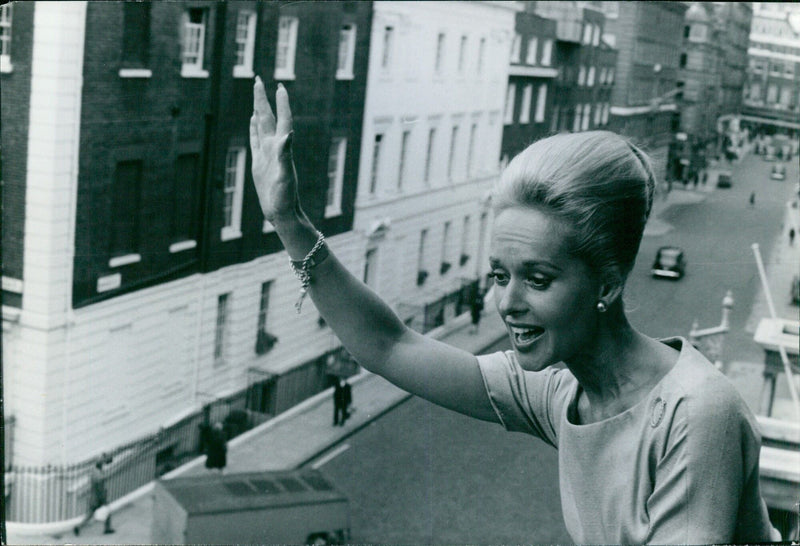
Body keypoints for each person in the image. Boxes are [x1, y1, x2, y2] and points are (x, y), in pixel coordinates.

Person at [249, 78, 779, 544]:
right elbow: (390, 345)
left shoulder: (694, 412)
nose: (506, 302)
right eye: (500, 275)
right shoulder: (561, 389)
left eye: (538, 279)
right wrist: (289, 222)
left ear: (609, 284)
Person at [74, 456, 114, 535]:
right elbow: (100, 489)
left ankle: (78, 527)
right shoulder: (99, 476)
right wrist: (104, 500)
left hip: (93, 497)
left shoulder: (94, 471)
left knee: (89, 514)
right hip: (98, 499)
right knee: (107, 511)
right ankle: (107, 528)